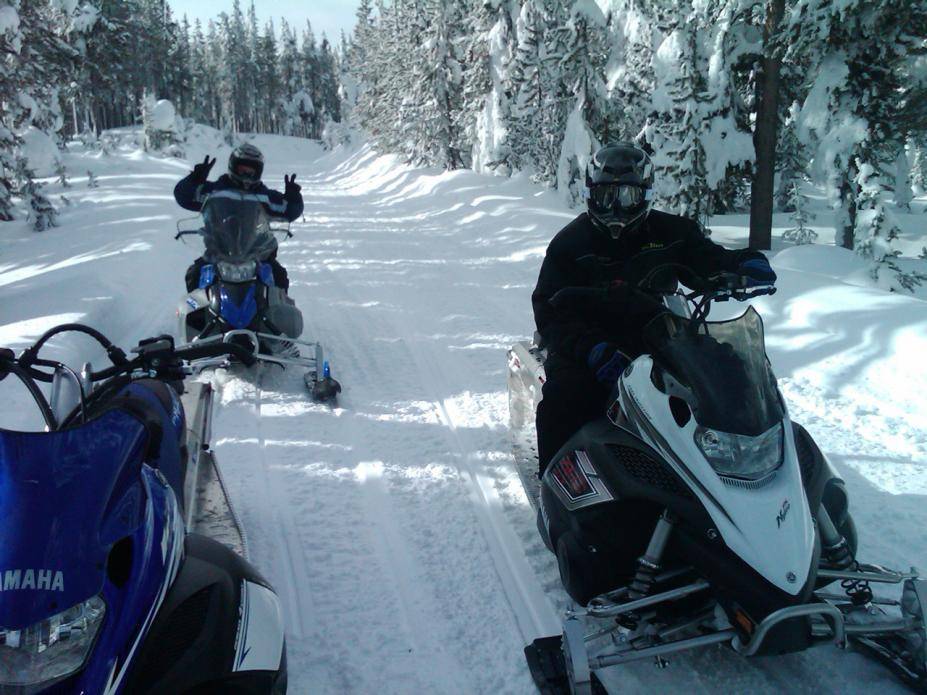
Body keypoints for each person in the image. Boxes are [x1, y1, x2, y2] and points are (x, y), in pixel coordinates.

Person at [532, 142, 777, 473]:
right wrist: (591, 350)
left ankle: (751, 462)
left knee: (730, 369)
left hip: (660, 333)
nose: (616, 207)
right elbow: (549, 311)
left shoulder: (671, 233)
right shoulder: (571, 243)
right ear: (591, 193)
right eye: (606, 195)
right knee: (564, 400)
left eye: (627, 196)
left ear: (645, 196)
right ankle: (556, 488)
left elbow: (705, 260)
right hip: (590, 344)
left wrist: (741, 264)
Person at [174, 143, 304, 292]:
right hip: (217, 250)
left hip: (258, 253)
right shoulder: (215, 190)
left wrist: (294, 198)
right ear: (233, 166)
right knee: (195, 274)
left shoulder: (264, 196)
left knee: (278, 276)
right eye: (242, 169)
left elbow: (289, 212)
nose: (246, 174)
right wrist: (194, 179)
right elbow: (183, 196)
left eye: (251, 171)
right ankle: (196, 312)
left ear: (258, 172)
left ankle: (277, 311)